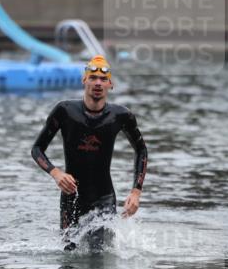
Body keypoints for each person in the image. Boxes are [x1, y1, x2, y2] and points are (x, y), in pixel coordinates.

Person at [31, 55, 148, 250]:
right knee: (68, 258)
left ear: (110, 84)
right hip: (71, 198)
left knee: (98, 256)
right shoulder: (65, 111)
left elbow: (141, 150)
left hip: (104, 199)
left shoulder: (121, 116)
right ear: (84, 80)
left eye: (103, 79)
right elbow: (37, 149)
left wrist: (136, 191)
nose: (98, 83)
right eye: (93, 78)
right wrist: (56, 173)